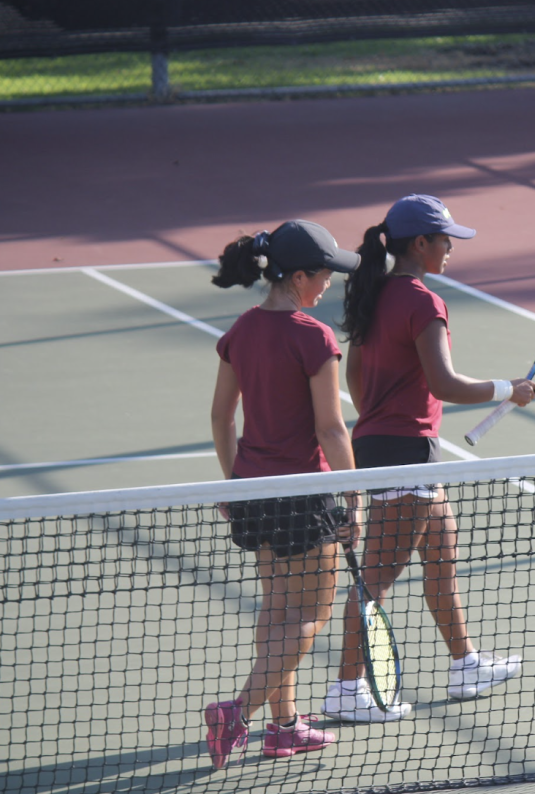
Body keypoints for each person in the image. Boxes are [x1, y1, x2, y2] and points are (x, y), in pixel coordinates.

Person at [321, 194, 535, 722]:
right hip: (406, 452)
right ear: (421, 243)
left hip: (389, 445)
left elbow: (354, 379)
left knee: (441, 555)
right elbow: (445, 383)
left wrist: (386, 409)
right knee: (374, 578)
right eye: (446, 240)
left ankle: (465, 665)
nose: (450, 249)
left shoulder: (373, 295)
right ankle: (347, 691)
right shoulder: (422, 301)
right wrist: (507, 388)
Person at [203, 220, 362, 768]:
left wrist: (233, 483)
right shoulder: (312, 337)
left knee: (276, 610)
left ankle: (285, 726)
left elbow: (222, 417)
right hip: (304, 493)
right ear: (298, 277)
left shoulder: (241, 331)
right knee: (311, 614)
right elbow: (331, 430)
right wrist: (352, 496)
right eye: (323, 276)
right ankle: (239, 712)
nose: (327, 286)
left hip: (253, 491)